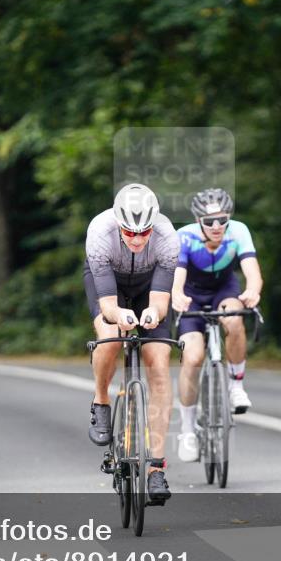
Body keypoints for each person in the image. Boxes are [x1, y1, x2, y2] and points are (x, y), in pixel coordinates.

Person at [84, 183, 180, 503]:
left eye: (144, 233)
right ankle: (101, 401)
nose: (138, 239)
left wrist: (153, 312)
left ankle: (156, 469)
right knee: (110, 339)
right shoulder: (100, 233)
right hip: (109, 283)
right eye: (130, 232)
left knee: (159, 365)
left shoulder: (167, 237)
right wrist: (118, 315)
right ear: (118, 223)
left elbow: (161, 299)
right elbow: (109, 304)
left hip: (148, 286)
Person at [171, 188, 263, 463]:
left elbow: (252, 271)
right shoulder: (184, 236)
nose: (216, 227)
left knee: (234, 320)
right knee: (193, 357)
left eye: (222, 220)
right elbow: (177, 276)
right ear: (198, 220)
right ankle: (187, 429)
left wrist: (253, 292)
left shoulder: (238, 231)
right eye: (209, 221)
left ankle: (236, 386)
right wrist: (177, 295)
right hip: (192, 294)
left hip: (224, 288)